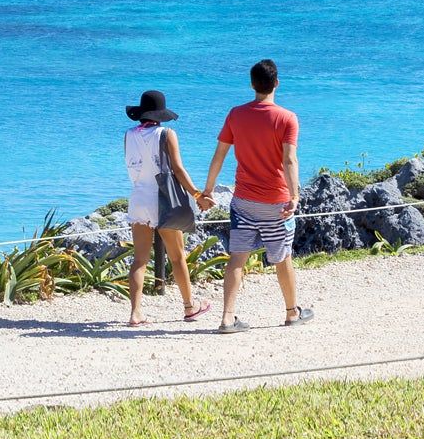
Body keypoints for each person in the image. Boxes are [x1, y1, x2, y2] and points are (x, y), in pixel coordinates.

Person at [196, 60, 315, 334]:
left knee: (237, 258)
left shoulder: (236, 114)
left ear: (252, 85)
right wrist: (294, 196)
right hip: (276, 203)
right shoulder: (287, 118)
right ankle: (291, 312)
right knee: (282, 257)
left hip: (243, 202)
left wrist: (208, 190)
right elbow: (289, 160)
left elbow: (220, 155)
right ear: (277, 83)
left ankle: (227, 318)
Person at [122, 89, 213, 327]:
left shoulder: (129, 135)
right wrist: (197, 195)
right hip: (162, 199)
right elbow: (178, 170)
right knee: (177, 256)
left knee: (139, 259)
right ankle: (189, 306)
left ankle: (135, 313)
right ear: (160, 114)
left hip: (138, 198)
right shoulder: (166, 134)